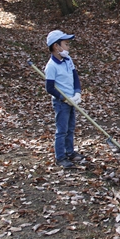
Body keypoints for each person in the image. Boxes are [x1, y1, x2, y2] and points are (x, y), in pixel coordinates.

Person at [44, 30, 85, 168]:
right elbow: (49, 88)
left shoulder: (68, 60)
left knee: (71, 128)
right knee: (62, 130)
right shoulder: (51, 66)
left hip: (72, 99)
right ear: (56, 46)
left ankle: (70, 152)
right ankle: (60, 157)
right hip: (61, 103)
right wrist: (63, 98)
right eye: (65, 44)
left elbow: (75, 77)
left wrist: (77, 93)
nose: (68, 47)